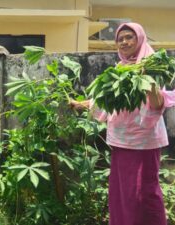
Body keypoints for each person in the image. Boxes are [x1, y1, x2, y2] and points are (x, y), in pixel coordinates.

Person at [71, 22, 173, 225]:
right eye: (120, 39)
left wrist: (148, 82)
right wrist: (80, 104)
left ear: (140, 39)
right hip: (121, 140)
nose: (124, 42)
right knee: (122, 193)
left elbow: (157, 104)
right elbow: (106, 101)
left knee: (144, 193)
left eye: (129, 37)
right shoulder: (120, 69)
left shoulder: (151, 66)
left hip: (144, 141)